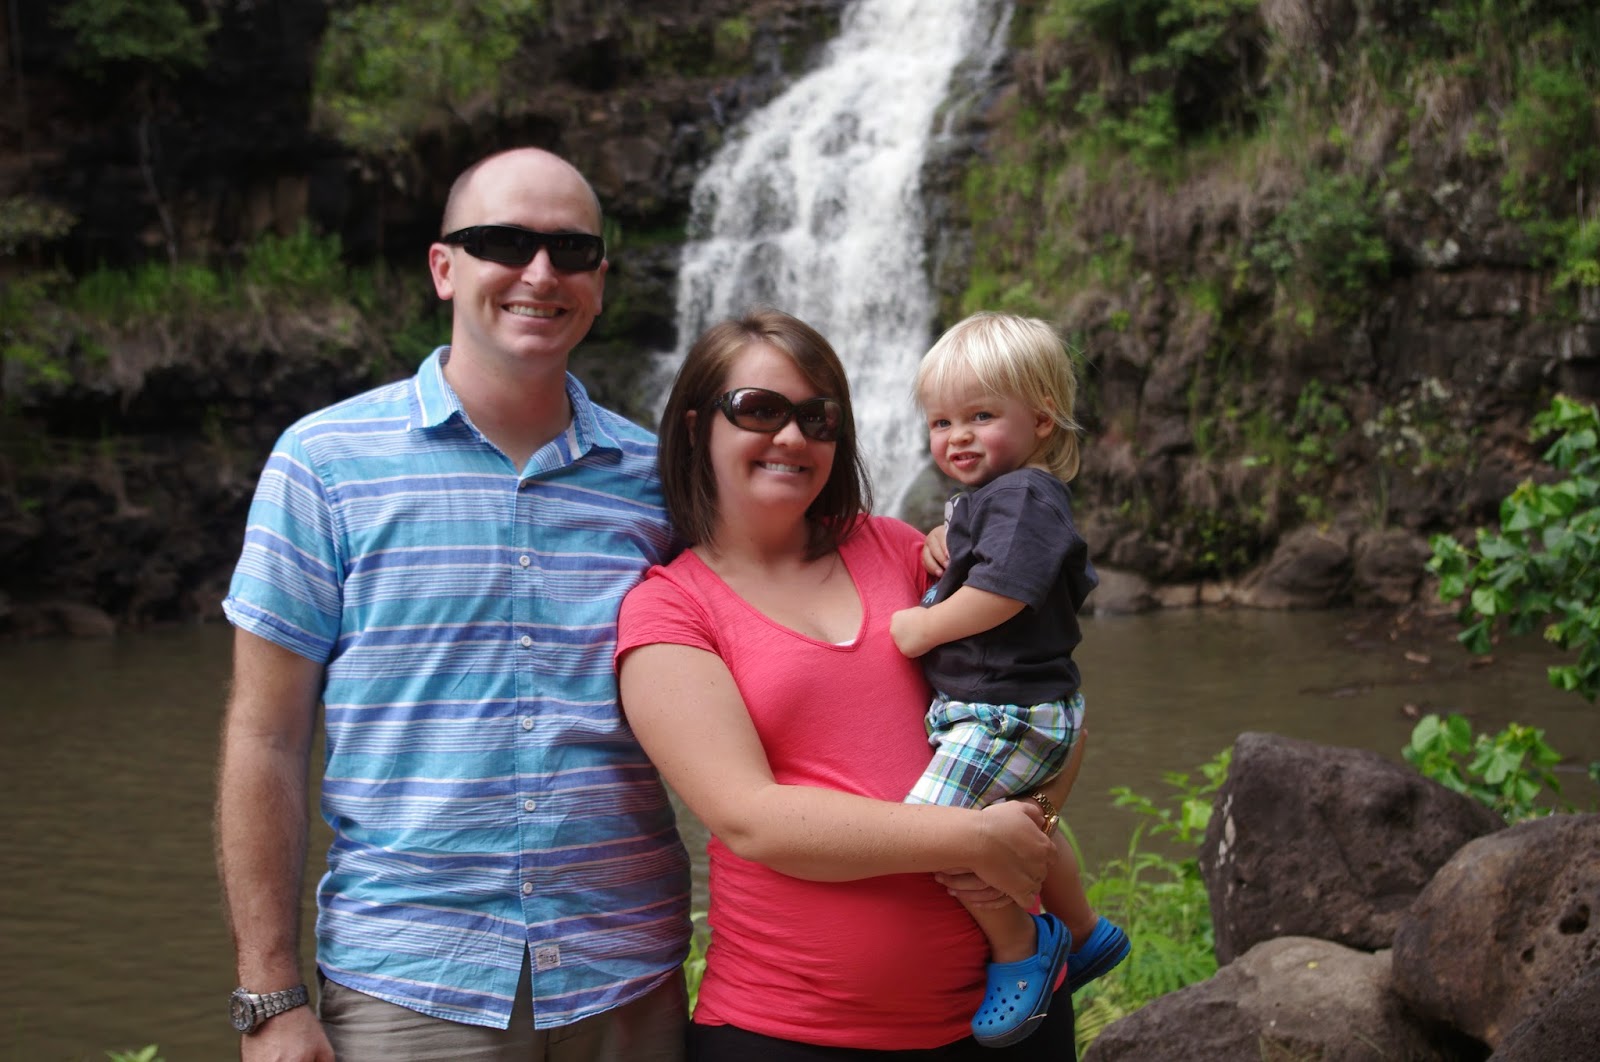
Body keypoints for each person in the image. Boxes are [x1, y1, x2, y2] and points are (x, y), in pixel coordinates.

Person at [214, 147, 691, 1062]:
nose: (540, 273)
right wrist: (270, 996)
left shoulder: (657, 480)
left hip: (630, 982)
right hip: (413, 988)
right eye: (503, 242)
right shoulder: (324, 462)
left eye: (571, 250)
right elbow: (265, 737)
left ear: (600, 282)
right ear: (444, 267)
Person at [615, 308, 1079, 1061]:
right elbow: (753, 820)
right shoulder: (669, 608)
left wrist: (1037, 825)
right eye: (759, 409)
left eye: (817, 417)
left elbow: (1049, 708)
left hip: (1013, 1020)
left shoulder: (903, 551)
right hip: (795, 1033)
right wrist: (976, 838)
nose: (792, 437)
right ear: (697, 426)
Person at [889, 312, 1131, 1044]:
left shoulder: (1024, 495)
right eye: (942, 422)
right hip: (1020, 706)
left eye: (981, 416)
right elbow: (997, 557)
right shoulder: (1003, 499)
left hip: (1006, 713)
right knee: (1023, 822)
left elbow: (1006, 591)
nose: (958, 436)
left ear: (1043, 421)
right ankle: (1084, 930)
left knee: (937, 833)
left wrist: (923, 626)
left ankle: (1024, 947)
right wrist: (946, 537)